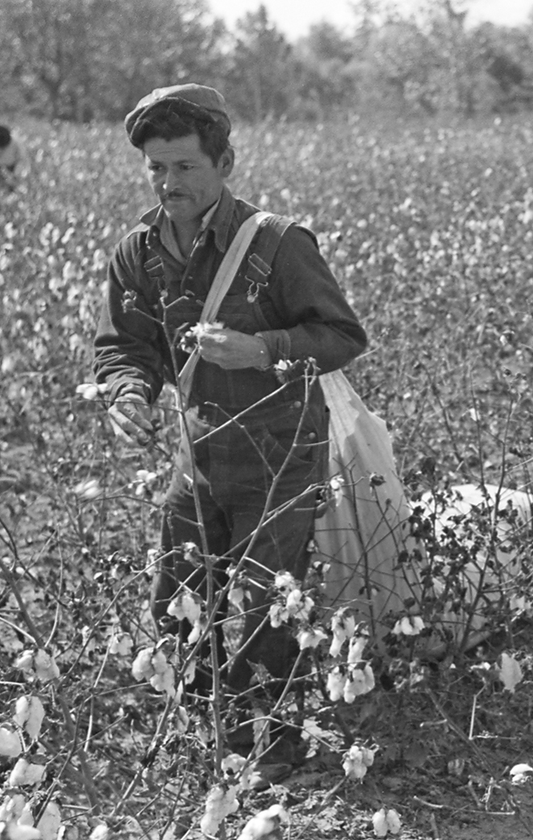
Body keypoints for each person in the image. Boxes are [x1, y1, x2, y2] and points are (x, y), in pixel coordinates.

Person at [93, 84, 367, 780]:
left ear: (225, 162)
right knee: (178, 594)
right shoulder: (139, 252)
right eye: (156, 167)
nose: (168, 181)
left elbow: (341, 335)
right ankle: (204, 722)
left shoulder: (277, 245)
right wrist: (129, 394)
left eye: (184, 166)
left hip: (280, 453)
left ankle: (269, 739)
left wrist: (264, 348)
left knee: (271, 602)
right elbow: (126, 345)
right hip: (199, 453)